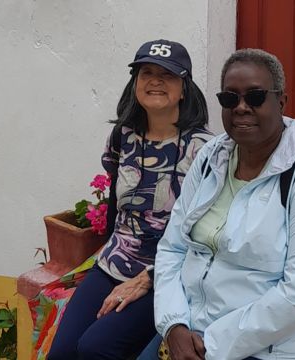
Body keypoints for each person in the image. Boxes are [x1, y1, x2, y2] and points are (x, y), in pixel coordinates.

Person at [140, 48, 295, 360]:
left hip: (268, 349)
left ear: (281, 102)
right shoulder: (211, 157)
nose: (241, 107)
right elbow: (173, 247)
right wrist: (174, 325)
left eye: (256, 97)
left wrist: (213, 343)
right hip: (190, 331)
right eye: (229, 98)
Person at [47, 39, 213, 360]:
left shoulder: (206, 150)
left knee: (96, 348)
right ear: (134, 83)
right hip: (114, 263)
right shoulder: (123, 136)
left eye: (167, 75)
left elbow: (206, 235)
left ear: (184, 88)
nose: (155, 80)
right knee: (62, 353)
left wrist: (149, 278)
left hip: (167, 275)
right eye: (146, 72)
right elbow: (113, 206)